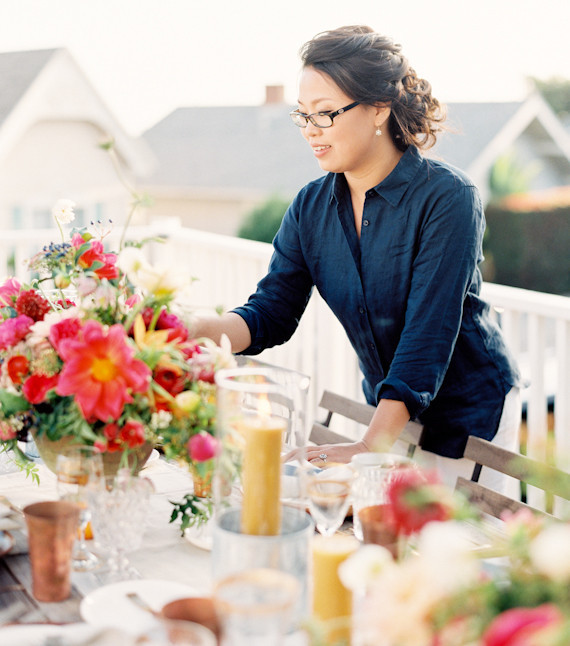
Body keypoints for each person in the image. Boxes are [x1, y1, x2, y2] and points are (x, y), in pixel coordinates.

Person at [194, 25, 521, 490]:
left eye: (325, 114)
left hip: (468, 411)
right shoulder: (310, 207)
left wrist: (370, 447)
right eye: (302, 115)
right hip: (388, 411)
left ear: (378, 110)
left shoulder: (448, 198)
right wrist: (198, 330)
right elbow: (271, 312)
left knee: (444, 549)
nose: (310, 131)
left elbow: (427, 335)